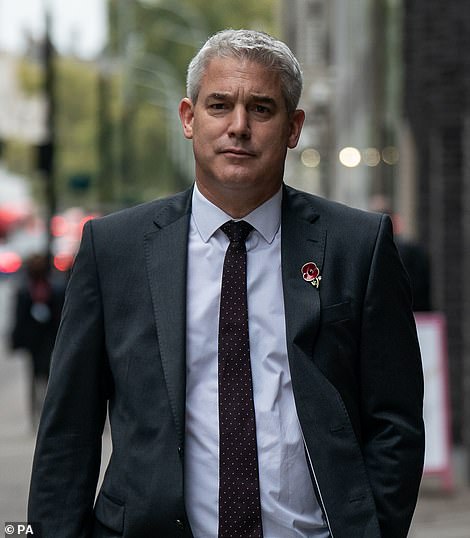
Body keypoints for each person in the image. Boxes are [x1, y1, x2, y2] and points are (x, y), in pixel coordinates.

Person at [28, 30, 425, 538]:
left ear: (293, 127)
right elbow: (68, 430)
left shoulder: (359, 245)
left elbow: (396, 419)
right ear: (190, 119)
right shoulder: (114, 249)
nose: (239, 126)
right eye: (220, 106)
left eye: (261, 109)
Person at [10, 253, 65, 429]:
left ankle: (46, 413)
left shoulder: (54, 288)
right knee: (36, 378)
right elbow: (20, 318)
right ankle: (37, 415)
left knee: (48, 378)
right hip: (36, 342)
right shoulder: (26, 290)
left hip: (49, 340)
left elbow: (59, 316)